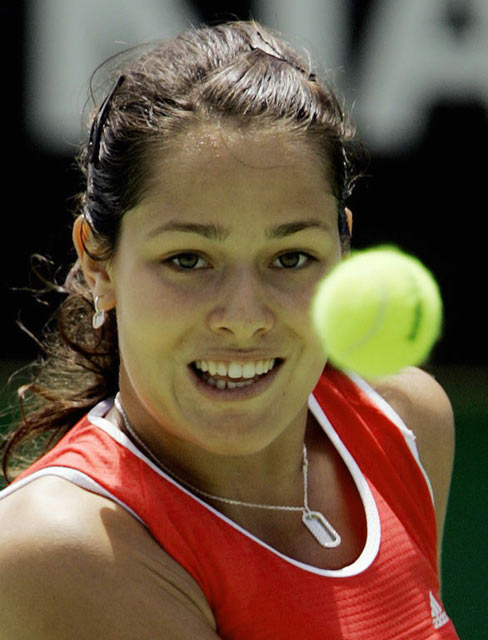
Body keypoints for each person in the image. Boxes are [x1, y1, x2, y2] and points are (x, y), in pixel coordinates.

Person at [0, 20, 458, 639]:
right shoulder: (59, 548)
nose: (244, 317)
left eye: (291, 257)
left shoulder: (406, 422)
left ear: (342, 253)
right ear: (96, 263)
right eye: (187, 260)